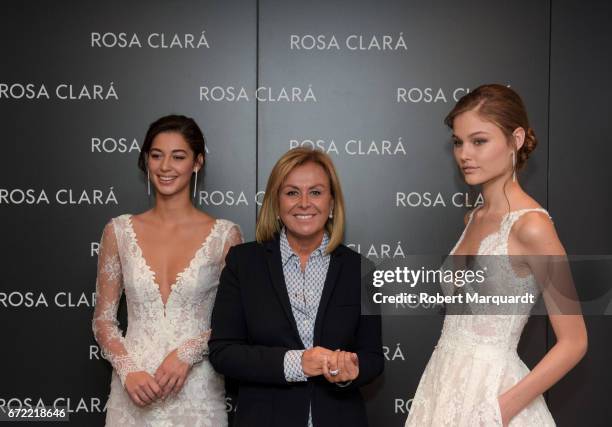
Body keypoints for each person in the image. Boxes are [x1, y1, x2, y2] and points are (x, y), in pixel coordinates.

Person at [405, 84, 588, 426]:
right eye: (458, 142)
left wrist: (497, 411)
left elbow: (574, 341)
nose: (464, 154)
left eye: (479, 141)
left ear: (516, 139)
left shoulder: (532, 227)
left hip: (494, 396)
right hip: (443, 384)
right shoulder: (473, 217)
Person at [209, 147, 383, 427]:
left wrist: (351, 368)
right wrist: (298, 363)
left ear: (332, 203)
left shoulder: (360, 269)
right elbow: (223, 352)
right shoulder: (244, 262)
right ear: (276, 204)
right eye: (291, 192)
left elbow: (373, 358)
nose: (304, 203)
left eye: (315, 192)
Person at [92, 114, 242, 426]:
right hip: (133, 389)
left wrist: (188, 353)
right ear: (145, 161)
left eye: (178, 156)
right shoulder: (117, 231)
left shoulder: (225, 236)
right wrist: (127, 369)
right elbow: (103, 321)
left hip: (197, 391)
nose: (165, 167)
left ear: (197, 162)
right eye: (156, 155)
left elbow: (237, 322)